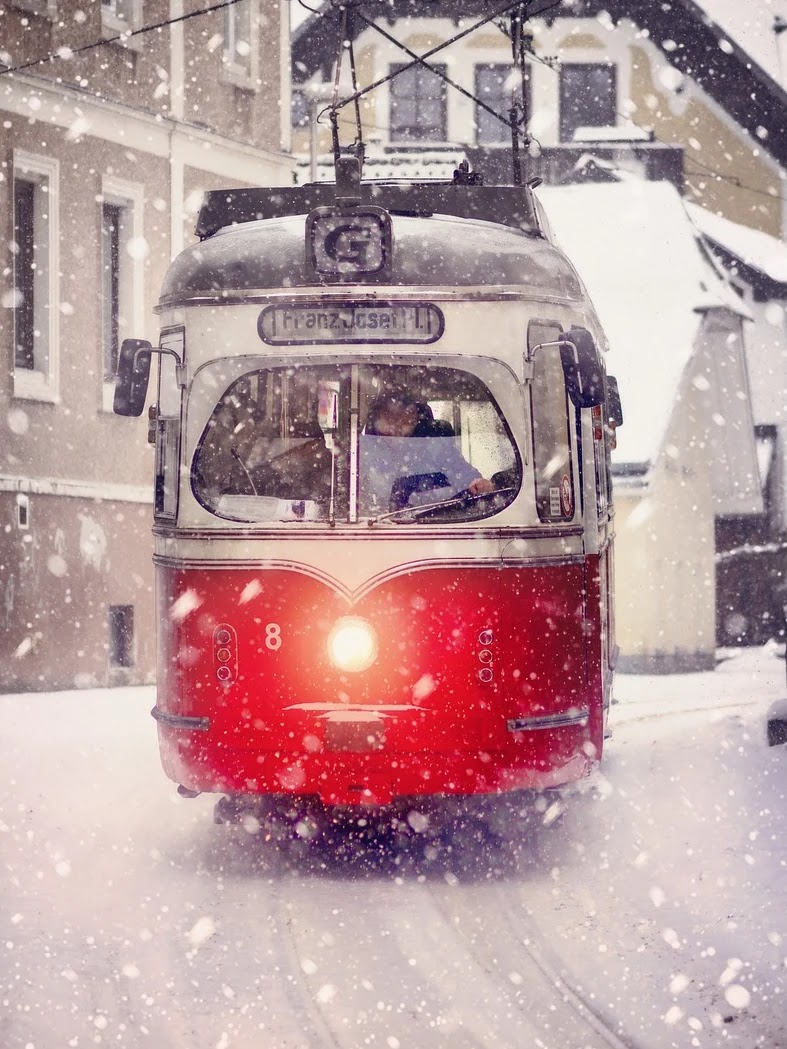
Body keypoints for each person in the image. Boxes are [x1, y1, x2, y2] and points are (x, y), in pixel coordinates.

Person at [360, 389, 495, 514]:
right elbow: (352, 500)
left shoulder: (436, 448)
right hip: (374, 524)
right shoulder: (363, 452)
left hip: (429, 521)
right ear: (377, 420)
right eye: (389, 418)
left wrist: (478, 483)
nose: (395, 427)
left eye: (404, 418)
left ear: (414, 418)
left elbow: (465, 475)